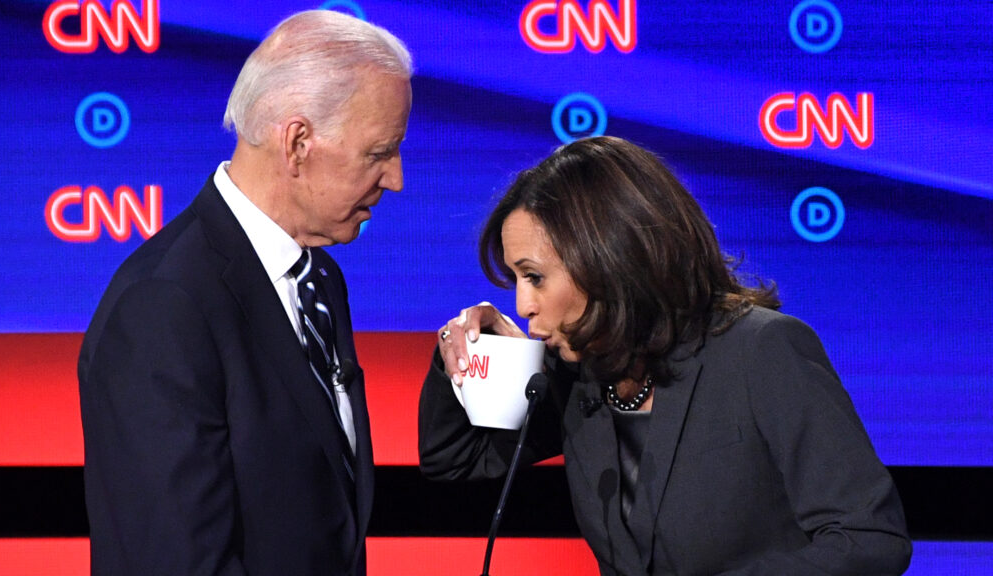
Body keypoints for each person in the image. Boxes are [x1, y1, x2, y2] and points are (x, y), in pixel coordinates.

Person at [418, 136, 911, 575]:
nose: (523, 304)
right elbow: (456, 459)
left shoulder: (761, 350)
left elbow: (869, 539)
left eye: (536, 277)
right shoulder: (581, 377)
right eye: (517, 280)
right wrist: (459, 356)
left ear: (609, 258)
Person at [78, 10, 412, 575]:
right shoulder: (164, 305)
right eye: (379, 153)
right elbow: (177, 562)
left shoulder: (320, 280)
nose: (397, 178)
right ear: (298, 142)